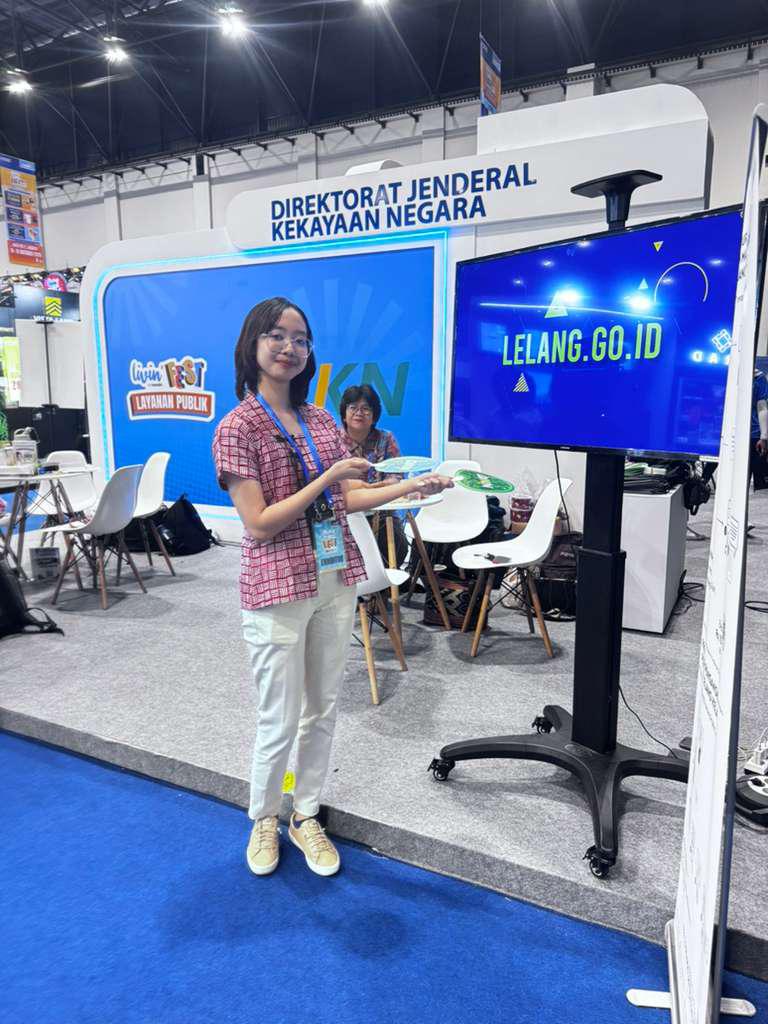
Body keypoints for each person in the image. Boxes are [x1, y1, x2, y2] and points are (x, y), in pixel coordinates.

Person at [212, 297, 452, 879]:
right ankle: (264, 817)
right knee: (278, 715)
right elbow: (259, 522)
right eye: (277, 335)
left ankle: (306, 813)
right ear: (252, 343)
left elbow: (346, 499)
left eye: (301, 339)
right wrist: (327, 478)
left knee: (321, 708)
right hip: (276, 586)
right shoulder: (238, 427)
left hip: (333, 577)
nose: (290, 348)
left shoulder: (321, 420)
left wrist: (409, 487)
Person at [339, 383, 408, 566]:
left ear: (374, 415)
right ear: (344, 414)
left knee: (399, 548)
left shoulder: (386, 438)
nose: (359, 413)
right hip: (346, 511)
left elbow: (396, 476)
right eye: (353, 407)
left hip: (381, 508)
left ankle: (385, 583)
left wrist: (376, 490)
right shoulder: (332, 441)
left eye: (366, 409)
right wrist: (373, 488)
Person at [750, 368, 768, 491]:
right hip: (754, 433)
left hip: (753, 433)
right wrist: (764, 436)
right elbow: (762, 407)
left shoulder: (759, 378)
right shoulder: (759, 378)